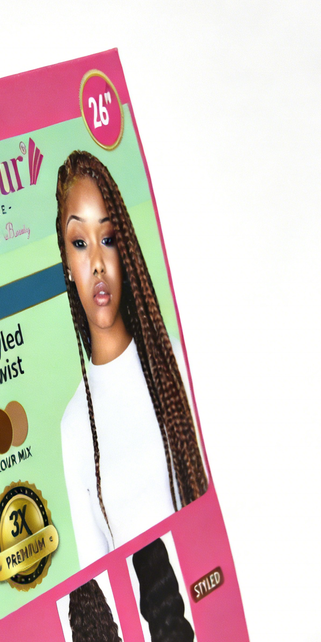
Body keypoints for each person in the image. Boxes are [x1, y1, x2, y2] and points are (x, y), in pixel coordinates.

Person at [57, 151, 208, 567]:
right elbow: (97, 574)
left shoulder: (176, 363)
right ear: (67, 263)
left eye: (107, 239)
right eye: (80, 243)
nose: (97, 264)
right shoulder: (74, 427)